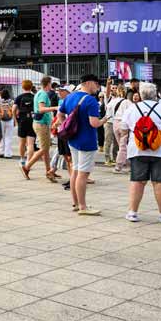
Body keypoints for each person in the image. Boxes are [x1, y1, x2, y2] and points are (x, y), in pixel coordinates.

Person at [117, 83, 161, 223]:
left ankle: (132, 213)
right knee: (160, 182)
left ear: (141, 94)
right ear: (155, 93)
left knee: (137, 181)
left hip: (138, 150)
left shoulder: (132, 108)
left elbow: (123, 129)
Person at [53, 74, 104, 215]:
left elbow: (60, 113)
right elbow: (94, 123)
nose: (98, 87)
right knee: (83, 173)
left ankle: (75, 203)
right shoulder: (91, 101)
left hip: (73, 139)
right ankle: (83, 206)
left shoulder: (70, 97)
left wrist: (65, 124)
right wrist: (104, 120)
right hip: (87, 140)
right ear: (88, 83)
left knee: (75, 170)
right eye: (96, 84)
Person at [23, 77, 56, 182]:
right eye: (51, 83)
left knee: (45, 148)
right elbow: (41, 109)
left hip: (39, 123)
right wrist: (55, 108)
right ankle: (27, 166)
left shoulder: (38, 93)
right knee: (44, 149)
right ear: (48, 84)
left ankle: (48, 171)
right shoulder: (43, 94)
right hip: (42, 124)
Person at [14, 80, 37, 166]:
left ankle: (22, 160)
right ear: (31, 87)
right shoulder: (34, 97)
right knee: (30, 143)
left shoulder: (19, 97)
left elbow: (14, 109)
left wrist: (15, 120)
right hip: (32, 120)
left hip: (22, 121)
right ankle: (29, 162)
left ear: (23, 87)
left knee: (22, 142)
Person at [0, 88, 15, 158]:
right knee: (8, 137)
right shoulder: (12, 102)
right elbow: (14, 110)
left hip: (1, 120)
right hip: (10, 120)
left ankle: (1, 152)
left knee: (1, 137)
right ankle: (8, 153)